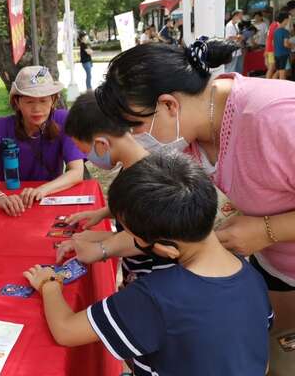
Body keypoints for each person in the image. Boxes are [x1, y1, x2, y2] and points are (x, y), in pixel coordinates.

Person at [96, 38, 295, 373]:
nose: (133, 138)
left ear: (169, 105)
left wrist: (267, 229)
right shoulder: (188, 137)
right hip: (275, 267)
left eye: (135, 126)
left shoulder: (275, 118)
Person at [23, 152, 273, 375]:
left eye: (132, 236)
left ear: (164, 248)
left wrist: (49, 283)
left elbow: (66, 330)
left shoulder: (154, 296)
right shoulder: (251, 276)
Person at [56, 91, 175, 284]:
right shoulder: (139, 165)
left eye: (86, 152)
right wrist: (104, 213)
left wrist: (100, 246)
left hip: (154, 280)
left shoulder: (144, 182)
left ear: (101, 144)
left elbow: (151, 240)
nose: (89, 159)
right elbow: (140, 217)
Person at [0, 66, 86, 216]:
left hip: (48, 200)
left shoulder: (63, 120)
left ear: (53, 100)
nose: (37, 108)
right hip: (10, 204)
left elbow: (77, 172)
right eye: (29, 101)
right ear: (17, 102)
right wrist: (0, 198)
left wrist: (42, 190)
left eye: (43, 100)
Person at [273, 10, 292, 80]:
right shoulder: (285, 31)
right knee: (282, 74)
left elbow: (273, 43)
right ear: (285, 20)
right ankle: (282, 89)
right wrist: (292, 46)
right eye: (288, 20)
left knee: (278, 71)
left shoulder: (276, 31)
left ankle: (272, 85)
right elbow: (286, 44)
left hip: (276, 54)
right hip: (283, 55)